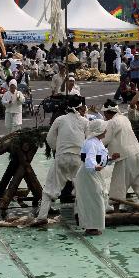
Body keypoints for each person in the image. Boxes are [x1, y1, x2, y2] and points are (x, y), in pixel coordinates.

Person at [36, 96, 88, 224]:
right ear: (79, 107)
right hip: (78, 158)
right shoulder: (85, 121)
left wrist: (58, 149)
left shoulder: (60, 119)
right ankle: (78, 214)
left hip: (62, 157)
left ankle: (42, 217)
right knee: (80, 188)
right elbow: (89, 140)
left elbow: (49, 139)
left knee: (49, 188)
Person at [101, 101, 139, 209]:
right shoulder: (124, 119)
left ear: (108, 113)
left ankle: (116, 210)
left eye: (105, 114)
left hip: (124, 157)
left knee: (118, 184)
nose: (104, 116)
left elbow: (104, 140)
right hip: (137, 153)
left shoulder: (112, 123)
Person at [75, 118, 118, 236]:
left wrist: (110, 159)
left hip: (93, 173)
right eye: (105, 129)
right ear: (100, 130)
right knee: (92, 200)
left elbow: (100, 159)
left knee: (98, 198)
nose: (106, 131)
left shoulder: (98, 142)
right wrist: (94, 167)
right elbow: (90, 159)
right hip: (87, 174)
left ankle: (93, 225)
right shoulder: (91, 143)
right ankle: (90, 227)